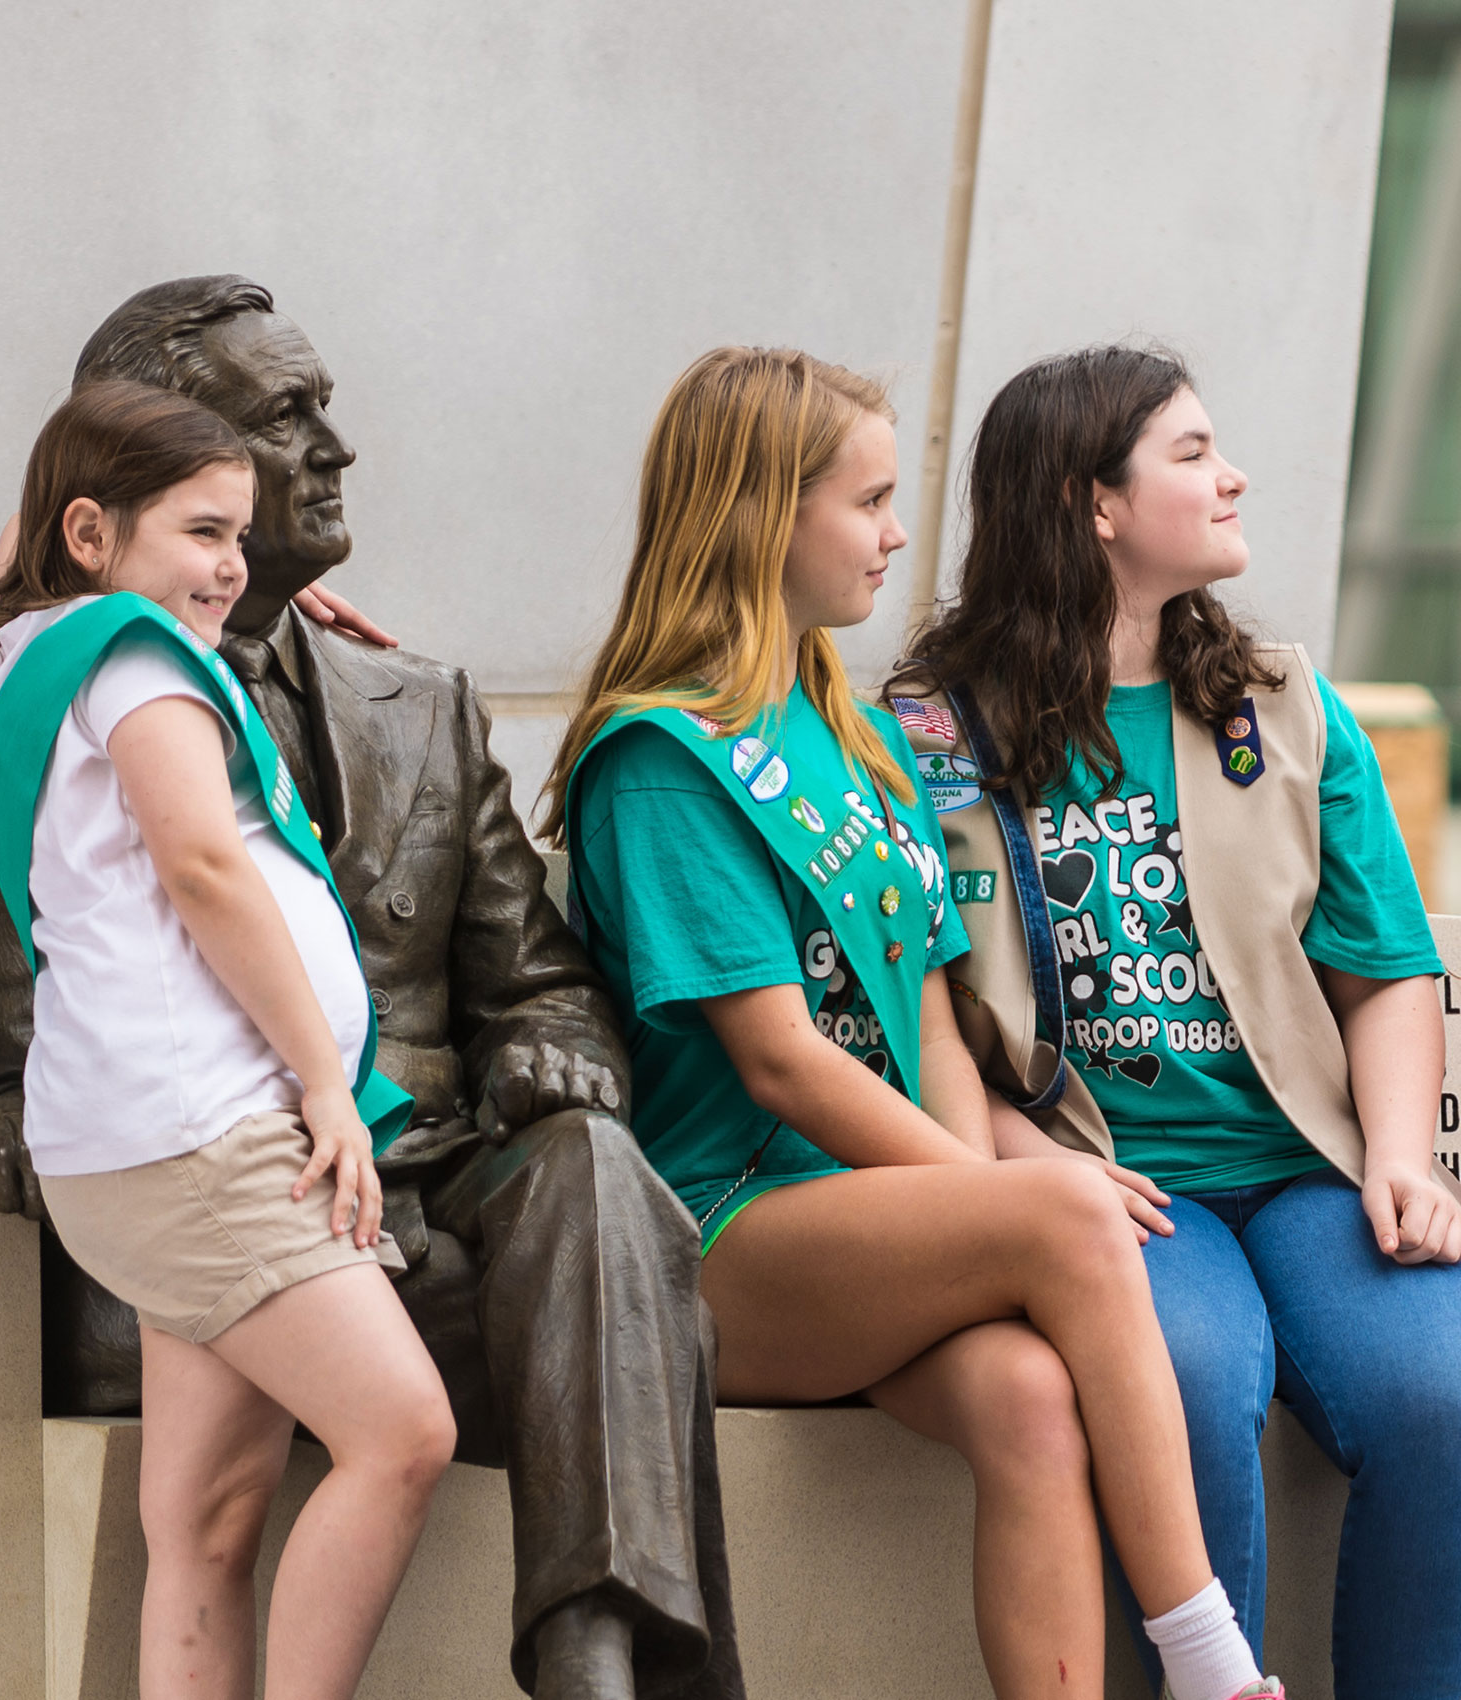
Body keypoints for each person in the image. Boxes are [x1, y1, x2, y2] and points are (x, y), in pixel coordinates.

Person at [0, 276, 737, 1700]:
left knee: (593, 1172)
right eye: (288, 423)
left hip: (410, 1192)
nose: (336, 453)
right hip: (207, 1179)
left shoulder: (416, 698)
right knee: (466, 1395)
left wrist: (553, 1051)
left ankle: (600, 1658)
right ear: (125, 497)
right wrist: (1, 1118)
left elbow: (540, 985)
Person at [542, 346, 1282, 1700]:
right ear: (767, 517)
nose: (897, 536)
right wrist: (995, 1205)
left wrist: (975, 1205)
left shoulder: (859, 733)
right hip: (722, 1231)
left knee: (1030, 1402)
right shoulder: (662, 756)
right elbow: (776, 1060)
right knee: (1066, 1210)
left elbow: (939, 1028)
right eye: (869, 502)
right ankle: (1214, 1663)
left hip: (876, 1217)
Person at [891, 346, 1461, 1697]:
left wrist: (1403, 1158)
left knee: (1452, 1402)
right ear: (1092, 503)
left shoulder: (1282, 706)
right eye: (1190, 454)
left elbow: (1387, 967)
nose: (1231, 476)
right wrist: (1027, 1165)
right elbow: (918, 1006)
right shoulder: (931, 734)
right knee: (1183, 1388)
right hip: (1102, 1184)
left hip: (1306, 1167)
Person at [0, 381, 452, 1698]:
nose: (232, 567)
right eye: (203, 533)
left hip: (145, 1135)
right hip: (209, 1132)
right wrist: (326, 1087)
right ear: (91, 533)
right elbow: (204, 866)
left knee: (210, 1518)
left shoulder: (44, 650)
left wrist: (219, 596)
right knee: (402, 1432)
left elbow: (29, 558)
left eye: (243, 538)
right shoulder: (126, 653)